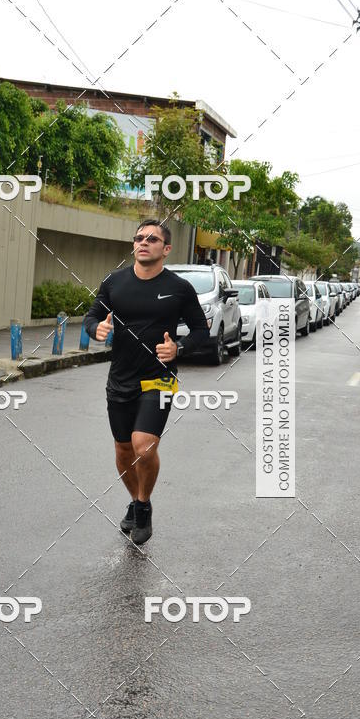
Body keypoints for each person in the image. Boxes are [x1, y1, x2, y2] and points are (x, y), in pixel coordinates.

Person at [83, 219, 209, 545]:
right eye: (139, 238)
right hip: (120, 378)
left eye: (152, 239)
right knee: (124, 450)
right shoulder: (114, 282)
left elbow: (201, 331)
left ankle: (142, 508)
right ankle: (138, 499)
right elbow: (91, 316)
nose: (143, 242)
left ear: (166, 249)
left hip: (160, 379)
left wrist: (179, 348)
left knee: (144, 445)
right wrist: (95, 329)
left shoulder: (180, 288)